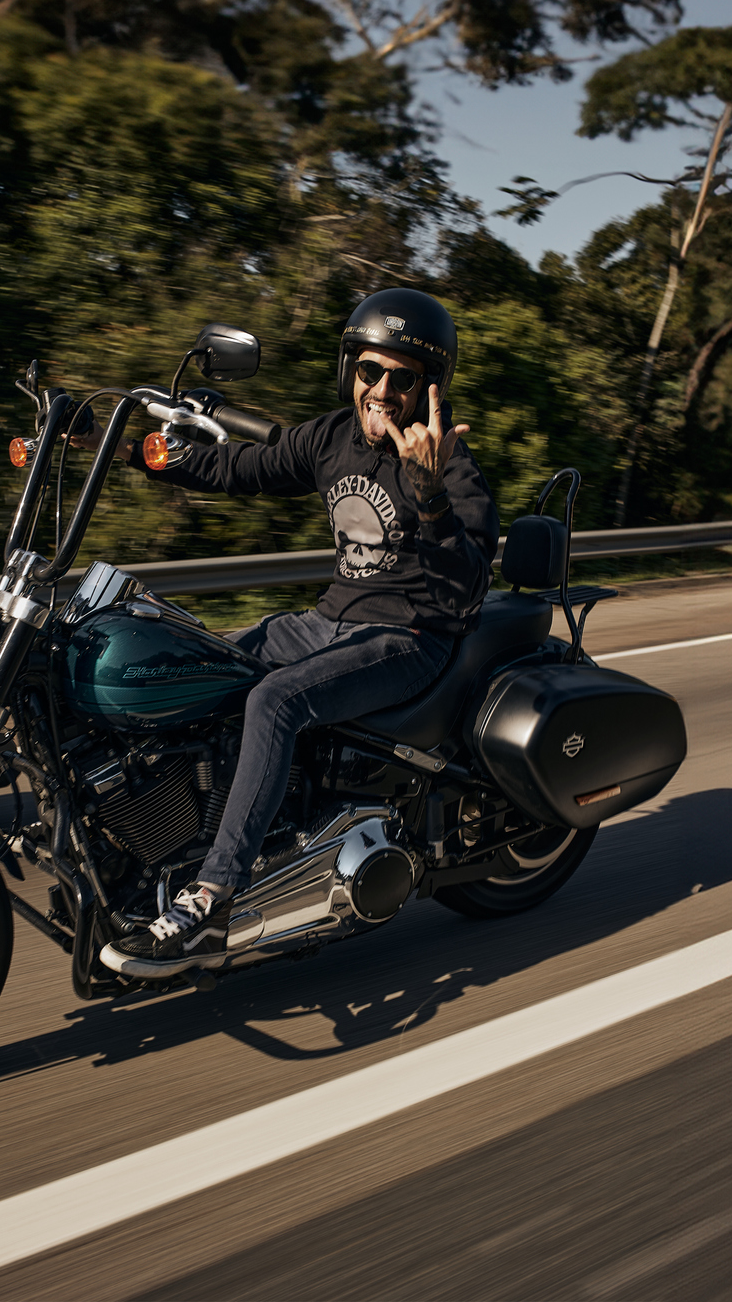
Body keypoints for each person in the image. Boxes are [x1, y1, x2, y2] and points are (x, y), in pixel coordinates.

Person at [82, 288, 499, 978]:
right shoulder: (333, 437)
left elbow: (467, 589)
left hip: (410, 637)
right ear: (350, 371)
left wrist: (429, 496)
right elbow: (233, 469)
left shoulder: (448, 463)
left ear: (429, 388)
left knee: (275, 701)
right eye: (370, 371)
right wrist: (119, 448)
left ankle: (212, 896)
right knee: (195, 663)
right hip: (328, 622)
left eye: (402, 379)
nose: (382, 390)